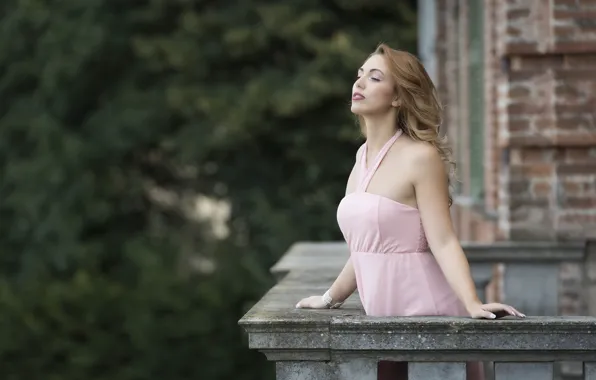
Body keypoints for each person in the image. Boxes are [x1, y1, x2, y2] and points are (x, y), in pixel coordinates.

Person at [294, 43, 525, 380]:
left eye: (374, 78)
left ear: (398, 97)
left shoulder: (421, 157)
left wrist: (473, 303)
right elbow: (365, 249)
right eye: (359, 75)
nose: (358, 84)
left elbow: (443, 240)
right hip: (382, 325)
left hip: (426, 316)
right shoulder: (361, 158)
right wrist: (330, 299)